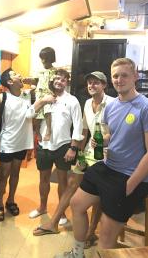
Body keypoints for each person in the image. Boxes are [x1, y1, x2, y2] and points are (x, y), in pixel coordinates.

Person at [55, 58, 148, 258]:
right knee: (76, 204)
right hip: (108, 166)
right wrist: (103, 141)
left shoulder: (144, 107)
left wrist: (130, 185)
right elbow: (112, 135)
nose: (119, 79)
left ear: (135, 77)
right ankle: (77, 253)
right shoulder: (112, 107)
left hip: (129, 175)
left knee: (106, 238)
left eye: (124, 75)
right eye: (115, 75)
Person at [33, 71, 114, 244]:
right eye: (90, 83)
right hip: (89, 153)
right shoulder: (87, 103)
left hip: (108, 155)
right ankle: (53, 223)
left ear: (104, 85)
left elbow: (120, 133)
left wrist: (107, 140)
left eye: (96, 83)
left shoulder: (113, 104)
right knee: (72, 184)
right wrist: (80, 152)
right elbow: (83, 130)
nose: (92, 85)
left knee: (98, 193)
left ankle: (91, 232)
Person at [0, 68, 56, 221]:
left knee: (16, 173)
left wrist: (31, 80)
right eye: (16, 74)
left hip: (22, 142)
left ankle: (10, 200)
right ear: (9, 82)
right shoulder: (2, 98)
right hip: (7, 142)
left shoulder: (27, 94)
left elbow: (41, 85)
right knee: (4, 174)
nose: (19, 75)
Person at [29, 69, 83, 226]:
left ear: (67, 82)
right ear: (52, 81)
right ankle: (42, 207)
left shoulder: (72, 100)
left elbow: (78, 126)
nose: (60, 81)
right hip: (44, 145)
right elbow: (29, 114)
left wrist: (73, 148)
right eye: (57, 78)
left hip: (63, 146)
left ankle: (62, 212)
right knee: (43, 179)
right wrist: (43, 101)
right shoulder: (45, 98)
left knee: (62, 181)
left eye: (63, 79)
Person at [24, 47, 56, 141]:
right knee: (37, 113)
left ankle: (49, 130)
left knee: (47, 111)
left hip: (48, 94)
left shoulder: (54, 71)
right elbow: (35, 81)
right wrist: (28, 80)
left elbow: (53, 83)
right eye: (41, 58)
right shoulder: (39, 71)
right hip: (39, 94)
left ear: (50, 58)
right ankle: (37, 131)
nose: (42, 61)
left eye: (45, 58)